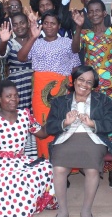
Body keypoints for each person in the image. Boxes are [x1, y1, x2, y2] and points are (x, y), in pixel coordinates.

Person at [0, 80, 56, 217]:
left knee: (46, 167)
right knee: (11, 206)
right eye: (9, 96)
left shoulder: (24, 115)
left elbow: (42, 133)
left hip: (21, 162)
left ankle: (30, 202)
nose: (14, 99)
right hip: (0, 165)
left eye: (16, 96)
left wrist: (58, 116)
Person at [46, 66, 112, 217]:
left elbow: (110, 124)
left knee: (92, 169)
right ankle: (62, 211)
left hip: (93, 139)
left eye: (89, 82)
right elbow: (50, 127)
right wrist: (65, 122)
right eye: (81, 80)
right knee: (59, 168)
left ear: (93, 85)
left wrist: (93, 123)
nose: (84, 84)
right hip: (66, 138)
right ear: (74, 80)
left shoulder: (103, 100)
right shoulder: (59, 101)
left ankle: (86, 211)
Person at [72, 0, 112, 186]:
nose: (95, 14)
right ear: (87, 14)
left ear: (105, 13)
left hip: (111, 87)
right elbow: (75, 49)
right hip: (90, 87)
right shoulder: (85, 34)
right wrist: (78, 28)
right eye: (91, 11)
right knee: (92, 125)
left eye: (99, 10)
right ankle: (95, 163)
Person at [17, 11, 80, 158]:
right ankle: (45, 162)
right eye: (46, 23)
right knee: (42, 124)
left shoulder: (67, 42)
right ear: (42, 25)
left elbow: (76, 66)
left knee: (63, 123)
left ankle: (63, 163)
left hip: (62, 90)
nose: (49, 26)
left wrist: (68, 84)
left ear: (59, 26)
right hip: (40, 92)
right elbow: (21, 57)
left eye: (53, 23)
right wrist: (33, 37)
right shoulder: (36, 42)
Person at [1, 12, 37, 157]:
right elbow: (0, 52)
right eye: (14, 24)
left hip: (35, 85)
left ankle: (35, 156)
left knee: (35, 119)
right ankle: (21, 156)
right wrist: (3, 41)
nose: (19, 26)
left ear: (28, 23)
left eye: (22, 22)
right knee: (20, 120)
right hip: (17, 88)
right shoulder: (9, 43)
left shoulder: (36, 39)